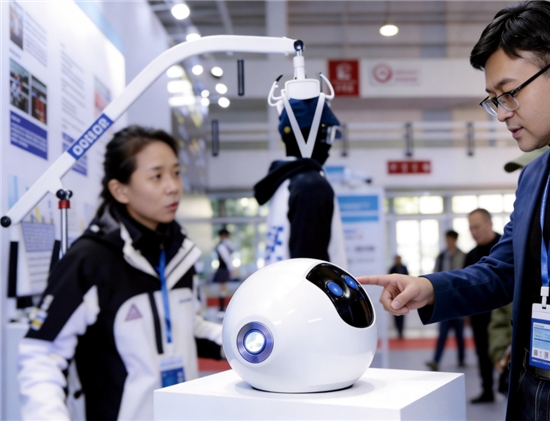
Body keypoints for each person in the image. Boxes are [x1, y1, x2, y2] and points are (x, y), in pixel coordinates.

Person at [358, 1, 550, 419]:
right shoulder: (534, 176)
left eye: (510, 94)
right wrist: (429, 288)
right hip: (531, 393)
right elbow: (503, 271)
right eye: (493, 100)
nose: (502, 114)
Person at [17, 126, 223, 421]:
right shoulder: (90, 259)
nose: (173, 186)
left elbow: (187, 326)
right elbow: (41, 355)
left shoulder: (180, 252)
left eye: (176, 173)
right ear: (120, 190)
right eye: (157, 176)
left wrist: (248, 341)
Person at [254, 95, 346, 267]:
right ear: (310, 134)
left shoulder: (286, 181)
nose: (330, 144)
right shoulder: (311, 185)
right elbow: (309, 269)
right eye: (328, 134)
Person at [464, 209, 501, 403]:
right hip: (480, 316)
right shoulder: (471, 256)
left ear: (489, 224)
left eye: (477, 227)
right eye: (471, 228)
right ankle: (487, 390)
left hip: (504, 317)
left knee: (506, 353)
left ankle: (510, 390)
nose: (474, 232)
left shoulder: (505, 248)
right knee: (482, 353)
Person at [425, 230, 466, 371]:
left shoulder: (463, 256)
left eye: (450, 240)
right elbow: (435, 275)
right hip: (445, 301)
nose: (448, 242)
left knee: (459, 334)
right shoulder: (441, 256)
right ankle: (436, 361)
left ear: (455, 240)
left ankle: (461, 359)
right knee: (443, 334)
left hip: (459, 301)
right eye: (446, 240)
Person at [211, 227, 237, 311]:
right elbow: (226, 259)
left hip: (223, 269)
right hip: (223, 269)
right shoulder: (222, 246)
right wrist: (231, 269)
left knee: (223, 289)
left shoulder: (224, 245)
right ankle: (222, 308)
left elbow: (232, 249)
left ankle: (222, 307)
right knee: (223, 289)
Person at [387, 255, 409, 339]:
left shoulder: (404, 268)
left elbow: (408, 279)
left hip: (403, 293)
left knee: (402, 313)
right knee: (395, 313)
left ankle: (401, 330)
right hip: (394, 294)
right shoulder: (392, 269)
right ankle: (398, 330)